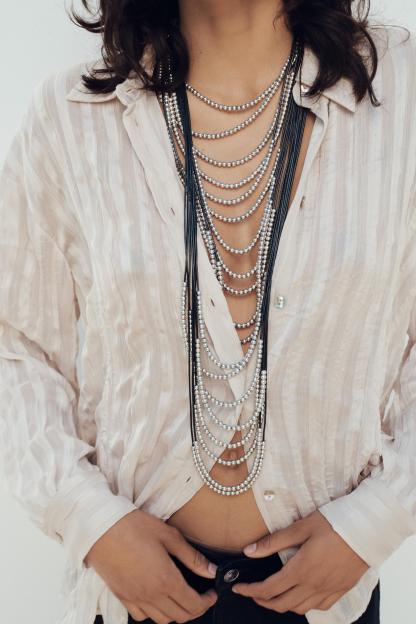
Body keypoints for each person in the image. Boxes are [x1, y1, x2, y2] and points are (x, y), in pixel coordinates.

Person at [1, 0, 416, 623]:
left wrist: (381, 515)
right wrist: (89, 520)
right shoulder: (70, 117)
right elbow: (16, 344)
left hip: (329, 596)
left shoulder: (401, 93)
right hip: (138, 595)